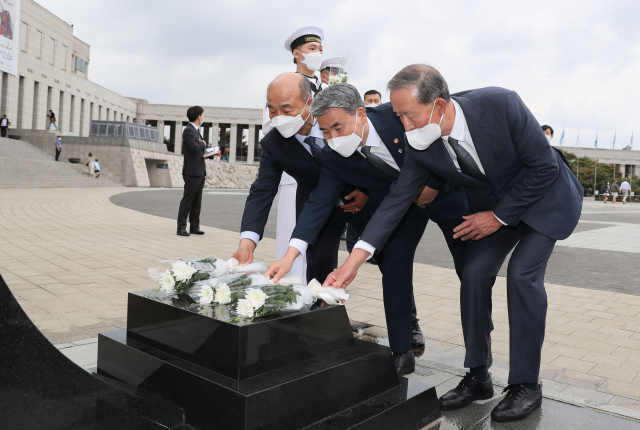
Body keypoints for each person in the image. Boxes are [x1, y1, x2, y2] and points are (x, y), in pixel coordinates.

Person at [326, 65, 583, 422]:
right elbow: (398, 199)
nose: (404, 125)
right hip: (493, 208)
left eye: (410, 115)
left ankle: (527, 385)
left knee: (523, 275)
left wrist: (496, 217)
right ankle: (478, 377)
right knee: (474, 274)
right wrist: (353, 262)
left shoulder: (501, 104)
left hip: (544, 198)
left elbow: (543, 166)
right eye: (398, 115)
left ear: (440, 106)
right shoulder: (421, 144)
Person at [264, 84, 469, 375]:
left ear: (360, 114)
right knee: (394, 267)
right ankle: (401, 351)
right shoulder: (333, 155)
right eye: (325, 131)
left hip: (446, 196)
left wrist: (434, 185)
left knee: (471, 271)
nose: (333, 138)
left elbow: (438, 139)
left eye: (338, 126)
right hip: (397, 209)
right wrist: (290, 255)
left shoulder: (396, 115)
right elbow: (319, 202)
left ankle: (478, 355)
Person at [233, 73, 369, 285]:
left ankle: (408, 317)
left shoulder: (337, 121)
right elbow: (262, 191)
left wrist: (365, 189)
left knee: (389, 256)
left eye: (286, 109)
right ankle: (319, 312)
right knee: (317, 266)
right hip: (315, 209)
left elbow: (366, 158)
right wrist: (246, 244)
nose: (279, 117)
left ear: (310, 103)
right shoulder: (273, 143)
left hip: (363, 199)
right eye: (272, 110)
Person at [262, 27, 334, 284]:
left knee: (322, 241)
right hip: (295, 176)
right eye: (312, 49)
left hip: (328, 177)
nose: (318, 54)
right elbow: (275, 131)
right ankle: (292, 288)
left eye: (320, 49)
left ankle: (317, 289)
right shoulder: (283, 87)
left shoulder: (325, 88)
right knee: (293, 236)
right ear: (297, 54)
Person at [177, 106, 207, 237]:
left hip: (200, 171)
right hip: (191, 171)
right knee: (188, 200)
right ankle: (181, 227)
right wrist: (203, 144)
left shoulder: (196, 131)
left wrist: (210, 151)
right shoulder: (188, 130)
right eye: (202, 115)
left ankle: (194, 226)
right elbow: (194, 147)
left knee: (197, 201)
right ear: (198, 116)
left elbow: (199, 148)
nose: (202, 117)